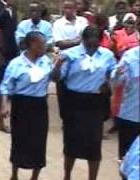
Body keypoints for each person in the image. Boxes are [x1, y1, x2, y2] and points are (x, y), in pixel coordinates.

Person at [53, 26, 116, 180]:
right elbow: (57, 78)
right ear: (83, 40)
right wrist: (58, 65)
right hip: (74, 103)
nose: (92, 47)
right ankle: (67, 175)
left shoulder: (107, 55)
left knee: (94, 146)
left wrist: (109, 82)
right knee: (71, 144)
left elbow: (113, 73)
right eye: (89, 44)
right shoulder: (70, 54)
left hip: (95, 104)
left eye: (95, 44)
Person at [0, 31, 53, 180]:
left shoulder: (46, 61)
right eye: (42, 45)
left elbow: (54, 77)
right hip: (22, 105)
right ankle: (15, 174)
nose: (45, 48)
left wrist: (59, 65)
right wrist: (4, 105)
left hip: (39, 105)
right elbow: (5, 86)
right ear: (33, 45)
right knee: (19, 140)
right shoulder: (16, 64)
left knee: (39, 140)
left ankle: (35, 176)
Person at [53, 0, 89, 121]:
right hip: (64, 61)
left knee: (78, 88)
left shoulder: (83, 21)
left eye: (70, 8)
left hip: (80, 60)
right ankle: (65, 119)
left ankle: (78, 117)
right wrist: (77, 41)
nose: (67, 10)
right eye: (65, 8)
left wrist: (70, 42)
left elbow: (86, 39)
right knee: (63, 91)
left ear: (75, 8)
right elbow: (59, 43)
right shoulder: (58, 23)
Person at [111, 46, 140, 161]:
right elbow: (116, 82)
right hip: (130, 114)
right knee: (126, 158)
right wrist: (118, 74)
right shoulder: (130, 56)